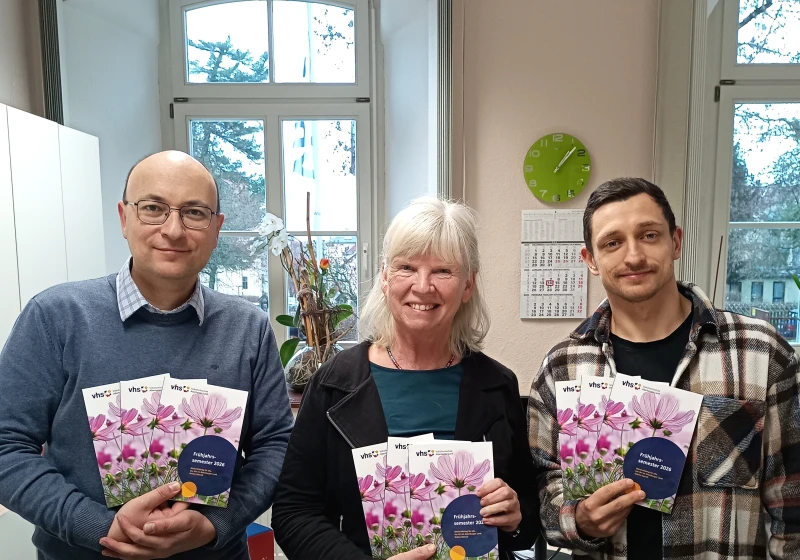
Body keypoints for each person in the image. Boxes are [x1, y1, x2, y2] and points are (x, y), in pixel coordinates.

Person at [0, 151, 294, 559]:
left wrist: (215, 525)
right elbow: (6, 447)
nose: (173, 230)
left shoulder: (248, 328)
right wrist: (102, 528)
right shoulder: (55, 318)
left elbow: (277, 445)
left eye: (194, 212)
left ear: (215, 228)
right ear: (124, 217)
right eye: (154, 208)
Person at [528, 177, 800, 559]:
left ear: (675, 242)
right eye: (612, 242)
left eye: (649, 235)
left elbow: (792, 505)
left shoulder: (760, 353)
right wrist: (579, 519)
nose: (634, 256)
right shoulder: (563, 368)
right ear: (590, 260)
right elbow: (544, 492)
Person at [272, 197, 542, 559]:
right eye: (406, 267)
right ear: (385, 277)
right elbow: (294, 513)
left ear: (467, 286)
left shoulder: (497, 384)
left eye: (443, 271)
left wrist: (516, 514)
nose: (423, 286)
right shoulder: (334, 384)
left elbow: (527, 517)